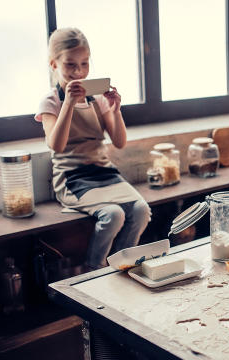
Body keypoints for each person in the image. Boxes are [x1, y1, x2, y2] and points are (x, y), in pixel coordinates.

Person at [35, 28, 151, 270]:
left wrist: (116, 109)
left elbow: (119, 142)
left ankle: (122, 265)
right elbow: (55, 144)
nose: (78, 72)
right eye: (70, 65)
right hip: (72, 177)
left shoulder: (96, 99)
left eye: (84, 63)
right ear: (53, 64)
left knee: (141, 210)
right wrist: (68, 103)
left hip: (104, 172)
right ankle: (94, 269)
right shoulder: (51, 101)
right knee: (114, 215)